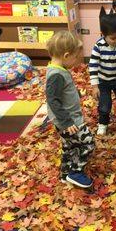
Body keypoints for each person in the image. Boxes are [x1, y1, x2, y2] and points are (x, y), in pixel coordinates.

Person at [46, 31, 94, 188]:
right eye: (75, 57)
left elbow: (60, 94)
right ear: (66, 55)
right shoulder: (56, 75)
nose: (76, 61)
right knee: (88, 143)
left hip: (66, 121)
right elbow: (52, 100)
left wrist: (76, 94)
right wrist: (66, 121)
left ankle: (65, 173)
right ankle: (76, 172)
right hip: (70, 122)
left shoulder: (57, 69)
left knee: (70, 147)